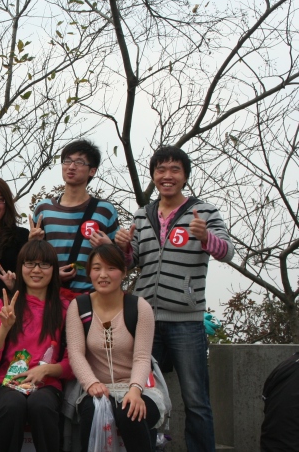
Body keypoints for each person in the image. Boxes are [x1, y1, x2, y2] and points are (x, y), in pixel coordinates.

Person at [115, 146, 234, 452]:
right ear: (153, 175)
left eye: (174, 170)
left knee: (196, 400)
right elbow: (131, 262)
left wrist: (206, 237)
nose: (167, 176)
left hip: (186, 320)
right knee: (141, 392)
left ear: (185, 176)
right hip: (145, 318)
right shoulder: (143, 214)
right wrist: (123, 247)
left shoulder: (204, 212)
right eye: (161, 170)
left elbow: (227, 252)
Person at [67, 244, 162, 452]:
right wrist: (91, 383)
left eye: (111, 268)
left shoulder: (139, 307)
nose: (103, 275)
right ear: (89, 272)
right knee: (92, 412)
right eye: (97, 268)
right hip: (97, 388)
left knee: (130, 413)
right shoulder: (79, 306)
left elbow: (142, 357)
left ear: (124, 272)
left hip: (139, 387)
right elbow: (75, 353)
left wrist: (135, 390)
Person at [0, 240, 74, 452]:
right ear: (20, 267)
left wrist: (46, 370)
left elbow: (72, 364)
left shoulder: (65, 308)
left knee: (40, 405)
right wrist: (4, 328)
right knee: (13, 405)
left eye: (44, 264)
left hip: (47, 386)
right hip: (6, 384)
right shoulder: (5, 306)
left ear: (54, 269)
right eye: (30, 263)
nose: (36, 270)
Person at [31, 140, 119, 294]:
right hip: (50, 297)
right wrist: (32, 243)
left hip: (92, 297)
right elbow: (31, 259)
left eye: (79, 162)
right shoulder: (43, 209)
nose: (71, 167)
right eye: (67, 161)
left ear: (92, 171)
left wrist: (109, 247)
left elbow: (120, 261)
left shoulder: (105, 210)